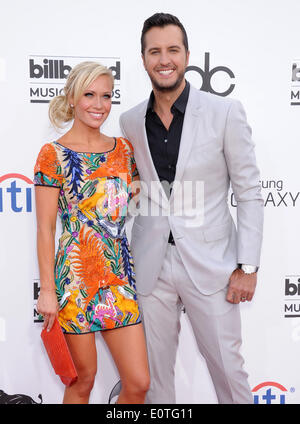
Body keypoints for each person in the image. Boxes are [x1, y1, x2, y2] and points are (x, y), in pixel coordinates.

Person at [119, 13, 264, 404]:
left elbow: (249, 191)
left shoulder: (225, 113)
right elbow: (139, 191)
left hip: (212, 263)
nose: (163, 59)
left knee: (229, 373)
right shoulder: (130, 120)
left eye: (172, 50)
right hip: (151, 265)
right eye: (154, 51)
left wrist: (247, 266)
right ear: (144, 58)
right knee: (153, 380)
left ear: (186, 55)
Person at [34, 61, 150, 404]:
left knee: (139, 382)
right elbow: (45, 228)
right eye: (89, 95)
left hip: (118, 279)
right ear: (72, 97)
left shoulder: (124, 150)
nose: (99, 104)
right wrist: (48, 293)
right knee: (82, 381)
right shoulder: (52, 155)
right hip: (74, 282)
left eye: (106, 96)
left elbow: (135, 197)